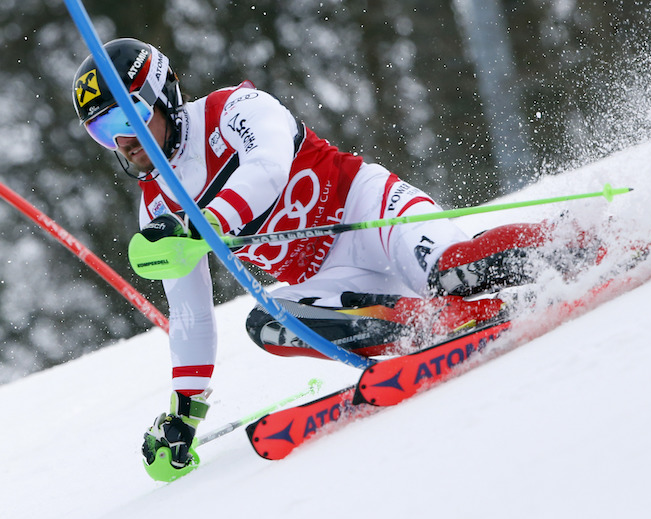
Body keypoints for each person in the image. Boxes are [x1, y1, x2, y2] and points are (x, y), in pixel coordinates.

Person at [72, 38, 597, 474]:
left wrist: (197, 223)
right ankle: (435, 327)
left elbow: (269, 168)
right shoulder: (155, 209)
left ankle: (587, 241)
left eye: (128, 114)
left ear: (162, 96)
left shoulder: (234, 109)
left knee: (451, 268)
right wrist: (184, 414)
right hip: (326, 276)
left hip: (369, 213)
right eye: (101, 130)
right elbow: (189, 313)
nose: (122, 140)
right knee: (268, 323)